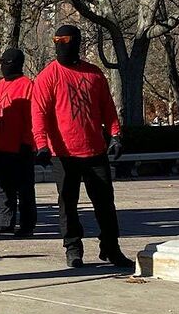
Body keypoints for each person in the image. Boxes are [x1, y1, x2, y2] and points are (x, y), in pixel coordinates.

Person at [32, 25, 134, 269]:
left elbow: (107, 108)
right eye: (56, 40)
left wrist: (116, 135)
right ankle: (73, 248)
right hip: (63, 153)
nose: (60, 44)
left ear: (76, 42)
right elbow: (39, 113)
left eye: (65, 40)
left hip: (94, 151)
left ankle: (110, 247)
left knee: (105, 203)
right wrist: (41, 145)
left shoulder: (94, 74)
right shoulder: (48, 75)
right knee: (68, 202)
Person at [0, 48, 36, 237]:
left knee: (24, 188)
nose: (3, 66)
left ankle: (27, 224)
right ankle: (5, 221)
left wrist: (31, 141)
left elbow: (34, 117)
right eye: (1, 62)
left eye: (6, 62)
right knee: (1, 186)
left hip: (21, 144)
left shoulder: (28, 85)